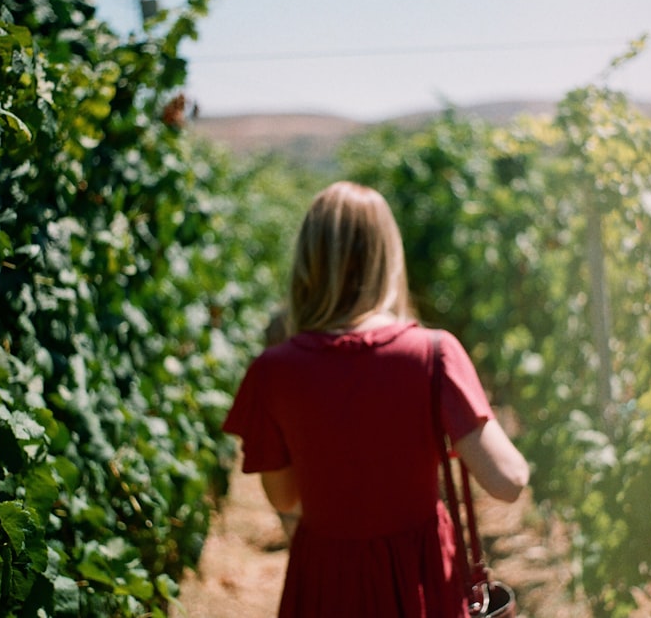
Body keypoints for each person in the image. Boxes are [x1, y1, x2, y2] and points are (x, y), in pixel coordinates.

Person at [222, 181, 529, 618]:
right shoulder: (434, 354)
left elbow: (283, 497)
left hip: (326, 580)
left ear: (308, 260)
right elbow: (508, 480)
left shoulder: (275, 369)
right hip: (420, 579)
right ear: (388, 258)